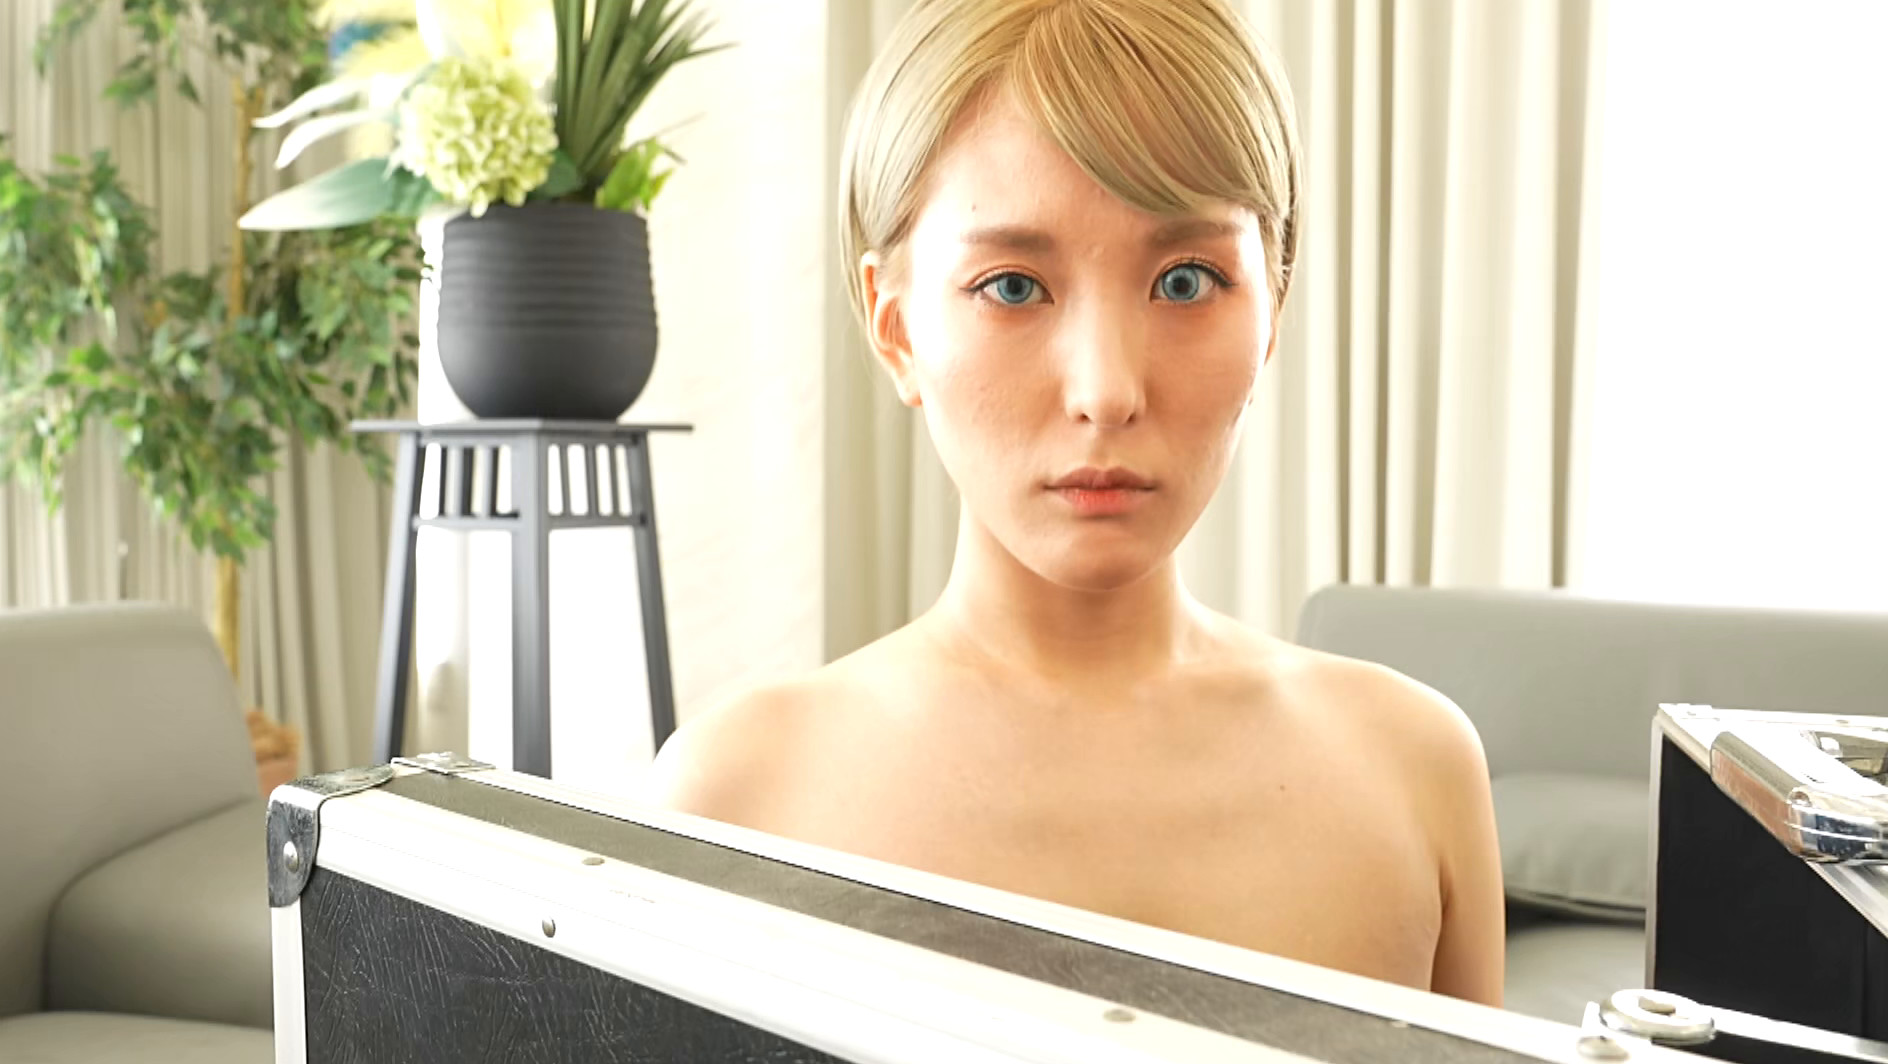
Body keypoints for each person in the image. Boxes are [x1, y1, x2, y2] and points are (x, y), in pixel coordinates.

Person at [643, 0, 1504, 1006]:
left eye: (1186, 281)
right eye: (1013, 287)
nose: (1106, 391)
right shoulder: (735, 798)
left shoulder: (1415, 770)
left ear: (1272, 308)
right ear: (896, 328)